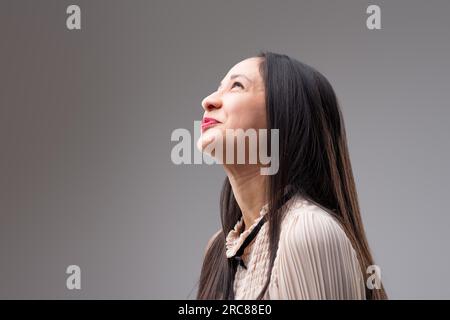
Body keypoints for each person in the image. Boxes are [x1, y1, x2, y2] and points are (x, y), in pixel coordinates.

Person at [196, 51, 387, 300]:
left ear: (285, 114)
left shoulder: (307, 231)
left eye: (237, 86)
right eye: (219, 87)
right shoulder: (218, 253)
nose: (208, 101)